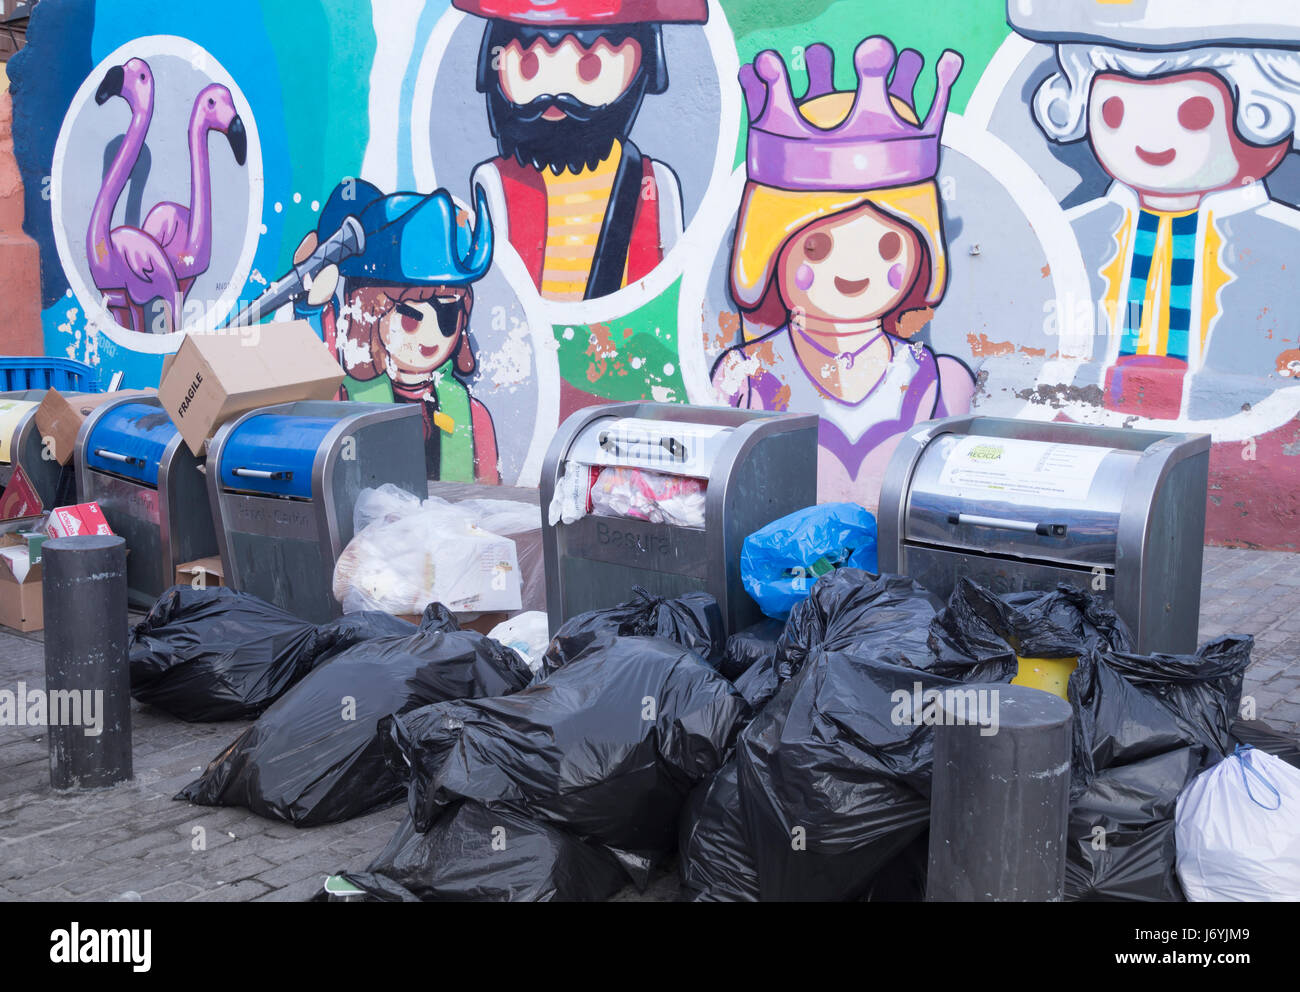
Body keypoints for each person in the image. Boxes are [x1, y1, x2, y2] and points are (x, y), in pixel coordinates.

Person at [712, 38, 974, 503]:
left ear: (920, 253)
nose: (854, 268)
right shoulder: (743, 377)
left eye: (887, 244)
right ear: (771, 249)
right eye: (817, 246)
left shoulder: (940, 381)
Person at [1013, 3, 1300, 419]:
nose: (1149, 138)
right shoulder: (1072, 238)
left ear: (1264, 113)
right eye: (1115, 111)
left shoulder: (1285, 245)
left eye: (1192, 114)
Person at [455, 0, 707, 301]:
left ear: (643, 63)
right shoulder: (495, 183)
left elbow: (671, 290)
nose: (554, 92)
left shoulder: (656, 184)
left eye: (589, 67)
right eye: (529, 65)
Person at [291, 179, 500, 483]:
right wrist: (311, 310)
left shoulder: (470, 415)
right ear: (371, 314)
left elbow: (489, 496)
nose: (430, 337)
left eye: (447, 316)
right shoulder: (348, 401)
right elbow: (313, 402)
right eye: (411, 317)